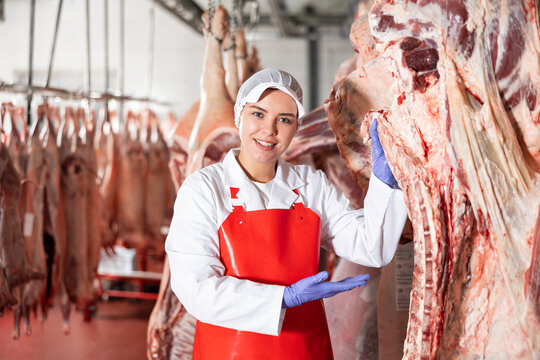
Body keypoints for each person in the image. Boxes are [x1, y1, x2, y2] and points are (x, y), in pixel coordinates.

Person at [166, 68, 408, 360]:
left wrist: (385, 183)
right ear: (239, 115)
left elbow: (372, 248)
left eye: (284, 120)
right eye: (258, 114)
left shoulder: (310, 185)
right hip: (229, 352)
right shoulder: (204, 189)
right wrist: (283, 298)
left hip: (306, 350)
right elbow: (196, 289)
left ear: (295, 128)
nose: (269, 130)